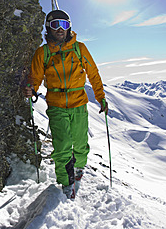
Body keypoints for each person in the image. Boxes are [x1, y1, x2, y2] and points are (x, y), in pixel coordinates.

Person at [24, 10, 108, 199]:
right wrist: (32, 87)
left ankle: (78, 168)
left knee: (80, 144)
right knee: (62, 147)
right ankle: (66, 183)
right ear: (48, 28)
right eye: (55, 25)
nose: (60, 29)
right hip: (56, 105)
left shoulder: (80, 49)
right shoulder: (43, 52)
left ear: (69, 26)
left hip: (79, 103)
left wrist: (101, 97)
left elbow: (93, 74)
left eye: (64, 24)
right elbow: (35, 76)